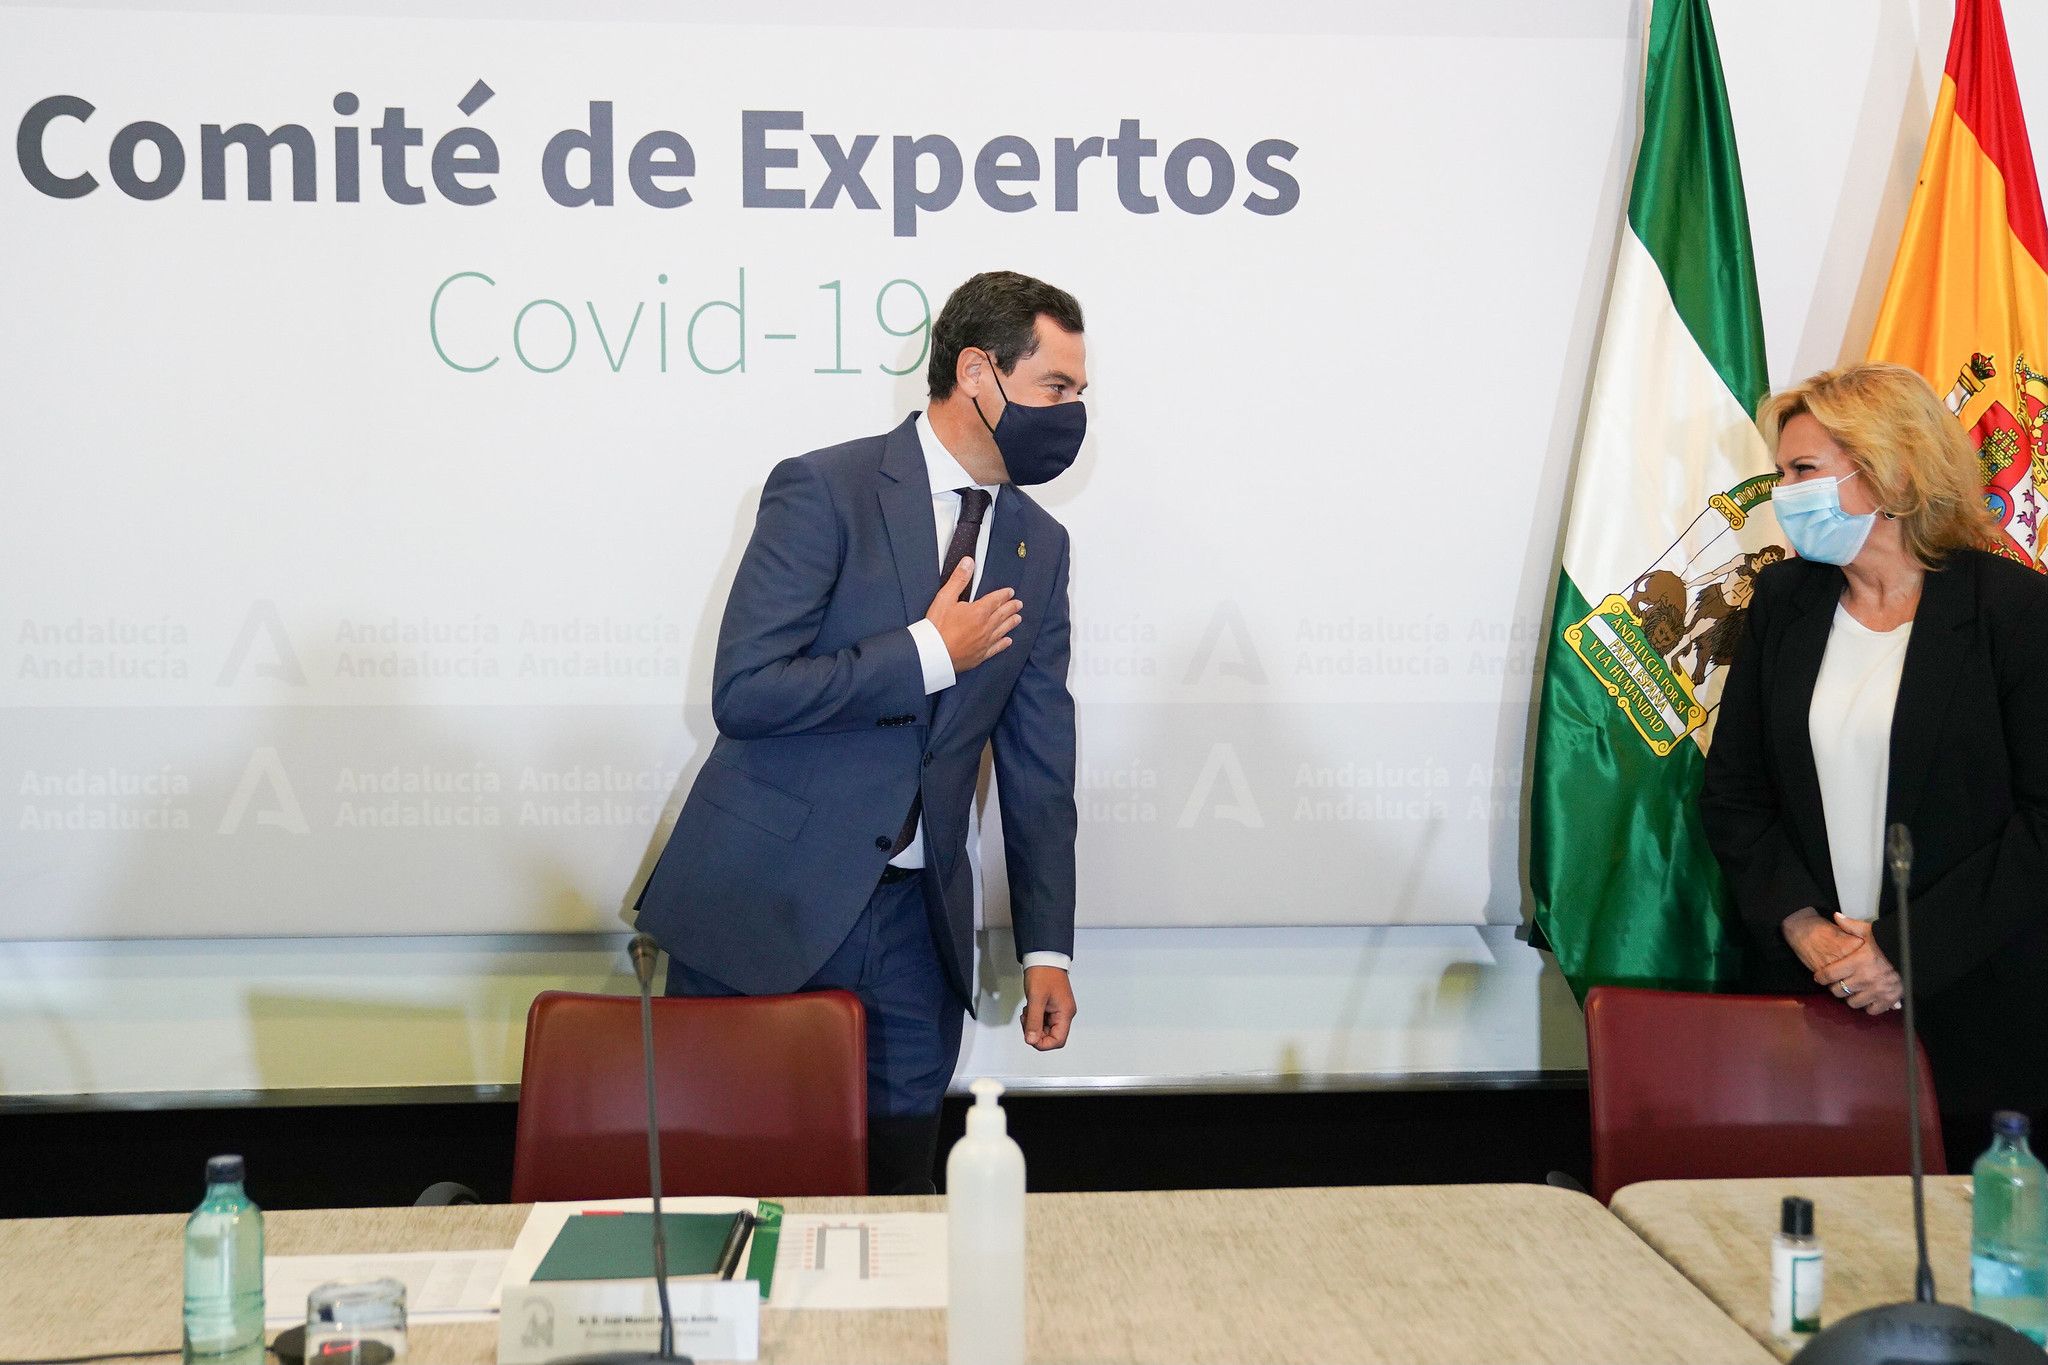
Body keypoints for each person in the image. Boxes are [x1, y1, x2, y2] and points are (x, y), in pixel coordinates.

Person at [635, 271, 1086, 1193]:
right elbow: (745, 689)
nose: (1073, 413)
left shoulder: (1042, 545)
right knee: (736, 1203)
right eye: (1057, 388)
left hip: (916, 940)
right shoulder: (824, 490)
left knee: (894, 1210)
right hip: (766, 914)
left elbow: (1039, 766)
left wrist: (1047, 947)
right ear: (977, 374)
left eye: (1079, 393)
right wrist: (926, 649)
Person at [1699, 362, 2048, 1171]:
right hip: (1806, 1001)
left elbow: (2042, 823)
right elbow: (1735, 797)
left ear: (1890, 473)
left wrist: (1900, 951)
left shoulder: (2014, 614)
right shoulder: (1784, 601)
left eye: (1801, 471)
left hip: (1976, 1019)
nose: (1781, 491)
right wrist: (1805, 929)